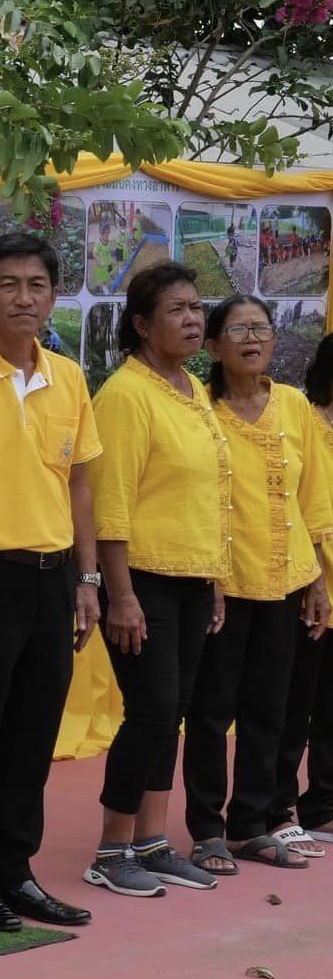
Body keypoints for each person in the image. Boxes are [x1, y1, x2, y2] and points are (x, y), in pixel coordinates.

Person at [0, 234, 101, 931]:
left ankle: (15, 868)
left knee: (34, 731)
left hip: (54, 577)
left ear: (54, 296)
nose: (24, 298)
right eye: (8, 284)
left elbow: (81, 485)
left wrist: (88, 578)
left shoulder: (69, 377)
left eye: (37, 285)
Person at [86, 262, 230, 898]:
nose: (193, 319)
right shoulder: (126, 395)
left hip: (194, 577)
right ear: (142, 325)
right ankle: (111, 849)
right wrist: (120, 595)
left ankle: (151, 841)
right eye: (177, 310)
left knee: (171, 713)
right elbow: (109, 505)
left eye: (197, 307)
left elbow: (206, 495)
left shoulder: (191, 388)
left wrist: (216, 580)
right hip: (141, 579)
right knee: (148, 712)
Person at [181, 296, 332, 876]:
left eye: (261, 329)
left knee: (270, 708)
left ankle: (250, 823)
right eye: (238, 330)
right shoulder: (201, 407)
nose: (252, 340)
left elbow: (313, 497)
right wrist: (210, 577)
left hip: (287, 579)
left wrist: (317, 579)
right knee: (211, 712)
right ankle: (206, 828)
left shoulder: (293, 405)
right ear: (214, 346)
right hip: (223, 583)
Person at [275, 333, 333, 852]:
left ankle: (321, 804)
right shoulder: (307, 423)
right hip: (310, 582)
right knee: (298, 704)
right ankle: (282, 806)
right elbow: (303, 505)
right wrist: (315, 577)